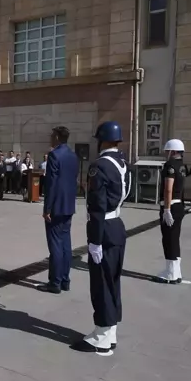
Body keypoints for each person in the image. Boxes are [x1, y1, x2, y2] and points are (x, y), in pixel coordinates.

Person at [70, 121, 130, 356]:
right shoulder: (124, 164)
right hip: (117, 225)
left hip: (104, 227)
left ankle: (102, 336)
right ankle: (111, 329)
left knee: (101, 283)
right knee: (113, 281)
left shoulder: (99, 166)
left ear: (102, 141)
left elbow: (96, 206)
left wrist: (94, 241)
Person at [38, 126, 79, 294]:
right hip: (68, 205)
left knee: (55, 245)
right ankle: (65, 280)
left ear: (56, 137)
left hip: (56, 206)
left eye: (51, 135)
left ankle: (54, 282)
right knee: (66, 245)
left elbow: (52, 184)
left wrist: (47, 208)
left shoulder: (55, 155)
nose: (50, 137)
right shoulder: (73, 155)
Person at [156, 139, 187, 284]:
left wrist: (166, 210)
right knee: (175, 238)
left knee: (168, 239)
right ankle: (176, 272)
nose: (166, 154)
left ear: (173, 151)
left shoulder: (170, 166)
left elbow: (168, 188)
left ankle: (171, 274)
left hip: (171, 206)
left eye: (168, 151)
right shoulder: (182, 166)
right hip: (179, 205)